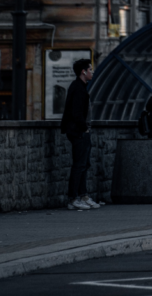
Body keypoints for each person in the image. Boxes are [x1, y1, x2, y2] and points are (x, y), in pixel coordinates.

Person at [60, 59, 102, 211]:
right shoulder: (78, 88)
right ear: (83, 72)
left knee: (84, 165)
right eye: (90, 69)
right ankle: (73, 198)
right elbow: (76, 112)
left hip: (80, 131)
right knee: (79, 165)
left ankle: (83, 195)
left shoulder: (80, 87)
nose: (92, 71)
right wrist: (84, 128)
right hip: (78, 132)